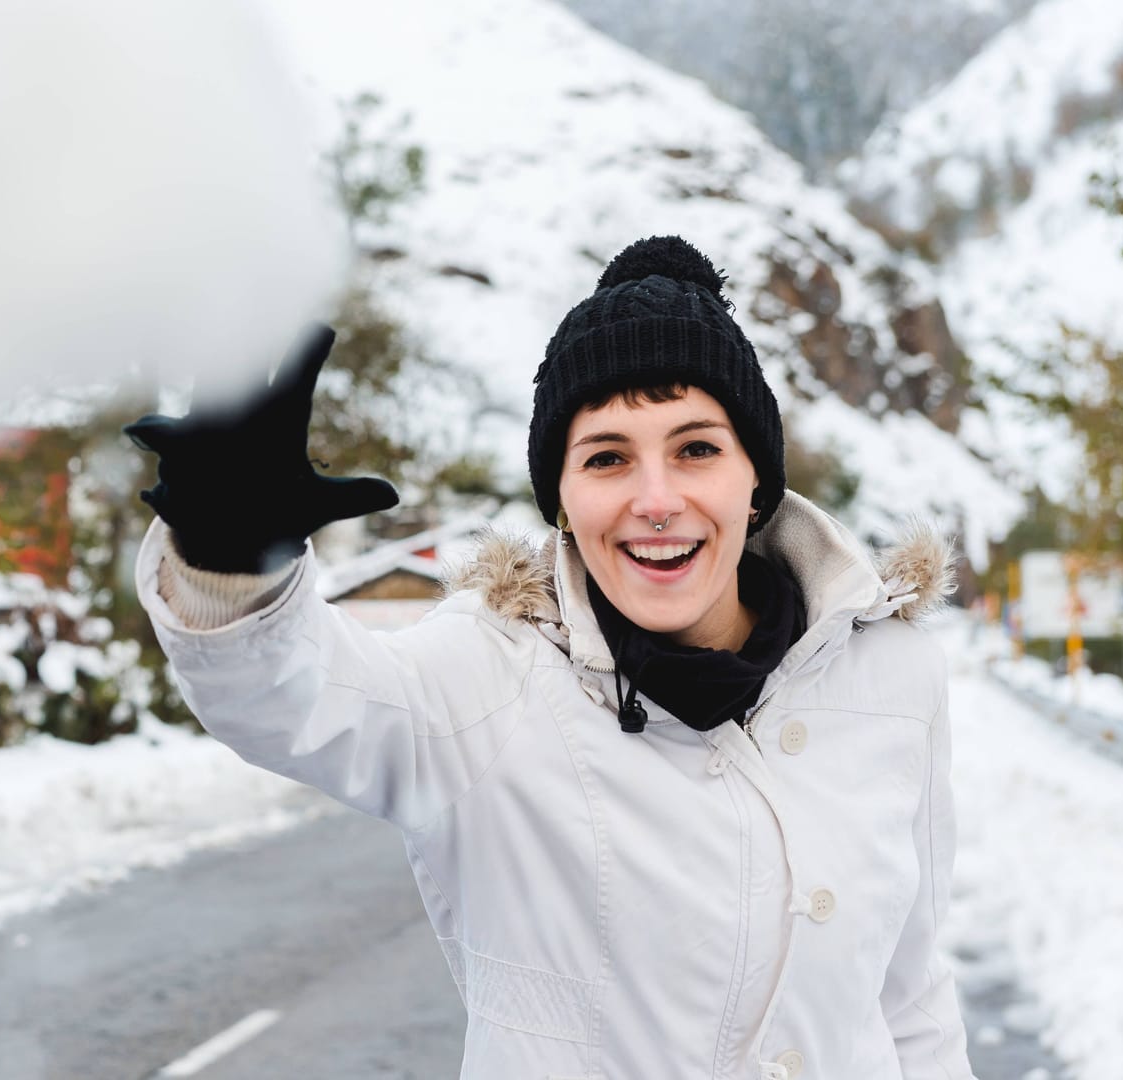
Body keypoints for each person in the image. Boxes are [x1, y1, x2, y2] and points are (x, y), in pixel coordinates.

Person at [124, 235, 976, 1079]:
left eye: (697, 449)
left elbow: (910, 997)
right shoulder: (494, 675)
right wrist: (227, 556)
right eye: (606, 458)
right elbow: (295, 698)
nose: (656, 500)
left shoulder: (893, 675)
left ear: (756, 478)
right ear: (561, 500)